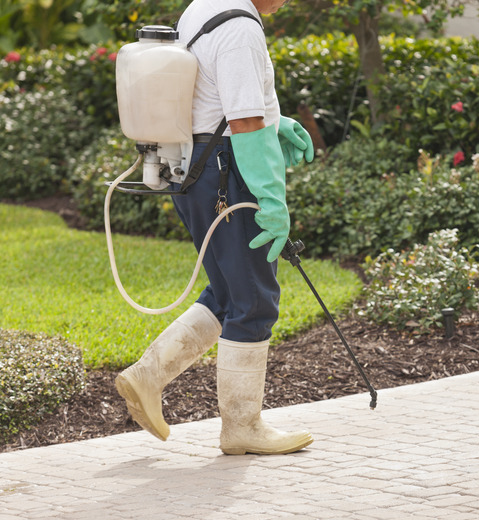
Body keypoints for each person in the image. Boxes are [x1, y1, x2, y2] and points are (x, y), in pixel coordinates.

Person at [115, 0, 316, 456]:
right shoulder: (242, 27)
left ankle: (148, 375)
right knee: (254, 300)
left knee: (228, 293)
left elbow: (206, 93)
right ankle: (242, 427)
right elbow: (243, 121)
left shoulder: (202, 7)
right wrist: (270, 197)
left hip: (194, 167)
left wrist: (274, 119)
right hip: (227, 171)